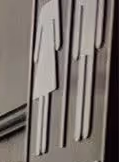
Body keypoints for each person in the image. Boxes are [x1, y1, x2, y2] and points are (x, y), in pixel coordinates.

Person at [71, 0, 106, 143]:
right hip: (85, 45)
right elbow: (78, 20)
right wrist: (75, 50)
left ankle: (84, 127)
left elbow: (101, 11)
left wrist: (98, 41)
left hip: (90, 46)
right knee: (82, 86)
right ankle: (80, 127)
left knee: (87, 84)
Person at [36, 0, 63, 154]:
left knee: (43, 97)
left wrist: (36, 56)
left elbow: (38, 39)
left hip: (43, 58)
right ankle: (43, 143)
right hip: (49, 56)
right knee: (46, 96)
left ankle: (41, 143)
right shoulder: (53, 6)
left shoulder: (45, 7)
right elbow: (58, 39)